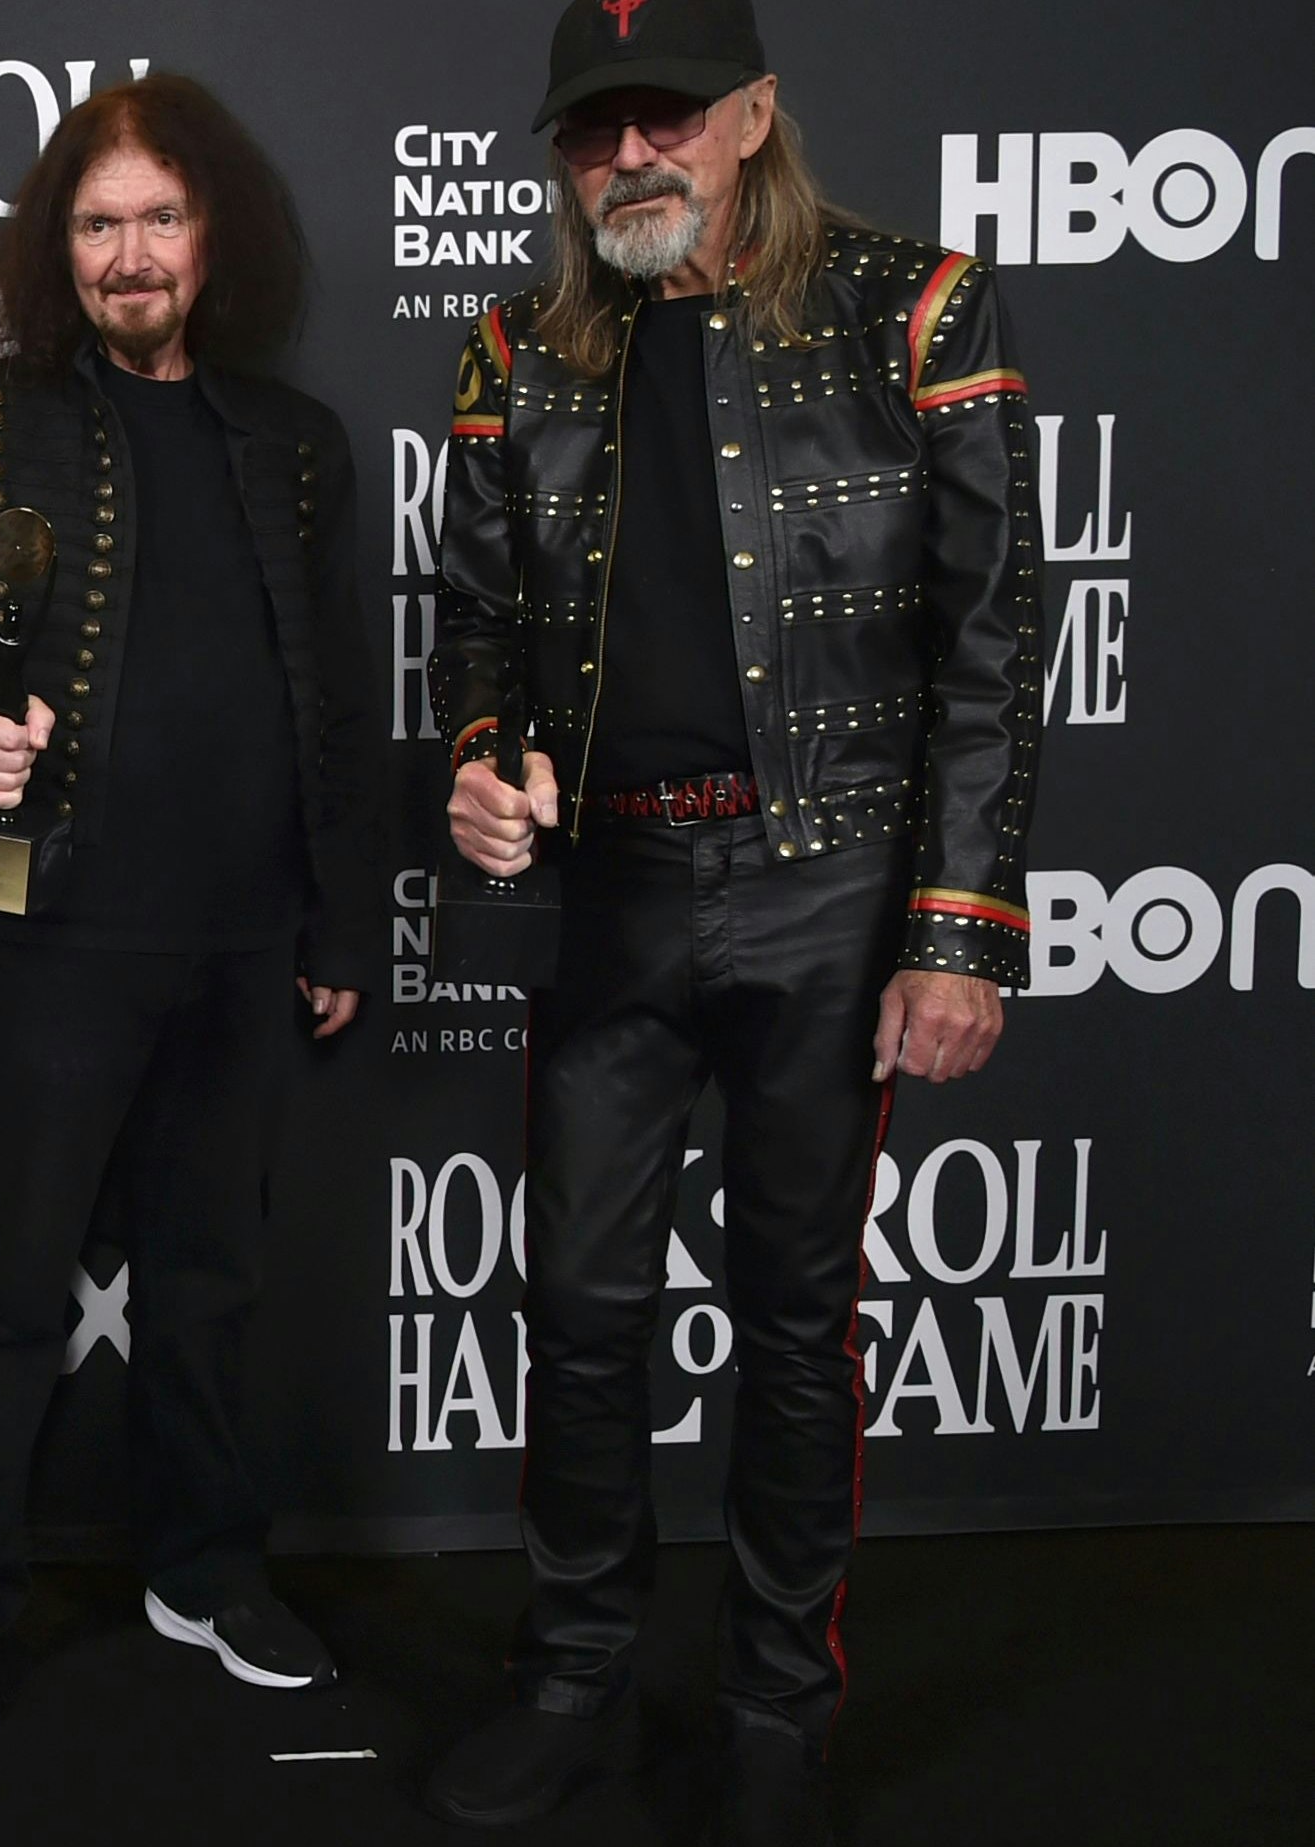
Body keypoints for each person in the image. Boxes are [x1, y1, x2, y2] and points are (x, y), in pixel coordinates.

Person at [418, 5, 1041, 1841]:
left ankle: (778, 1705)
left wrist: (958, 929)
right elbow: (475, 640)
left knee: (796, 1315)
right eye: (595, 126)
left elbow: (992, 647)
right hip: (600, 889)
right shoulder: (515, 347)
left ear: (755, 116)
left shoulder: (916, 307)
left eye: (669, 117)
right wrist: (474, 760)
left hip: (833, 888)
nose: (633, 155)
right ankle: (576, 1671)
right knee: (582, 1310)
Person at [0, 73, 383, 1735]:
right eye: (100, 222)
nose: (132, 251)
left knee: (212, 1284)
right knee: (5, 1287)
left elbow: (345, 702)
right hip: (36, 932)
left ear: (211, 234)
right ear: (59, 247)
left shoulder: (296, 446)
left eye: (161, 216)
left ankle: (206, 1565)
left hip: (241, 944)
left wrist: (343, 925)